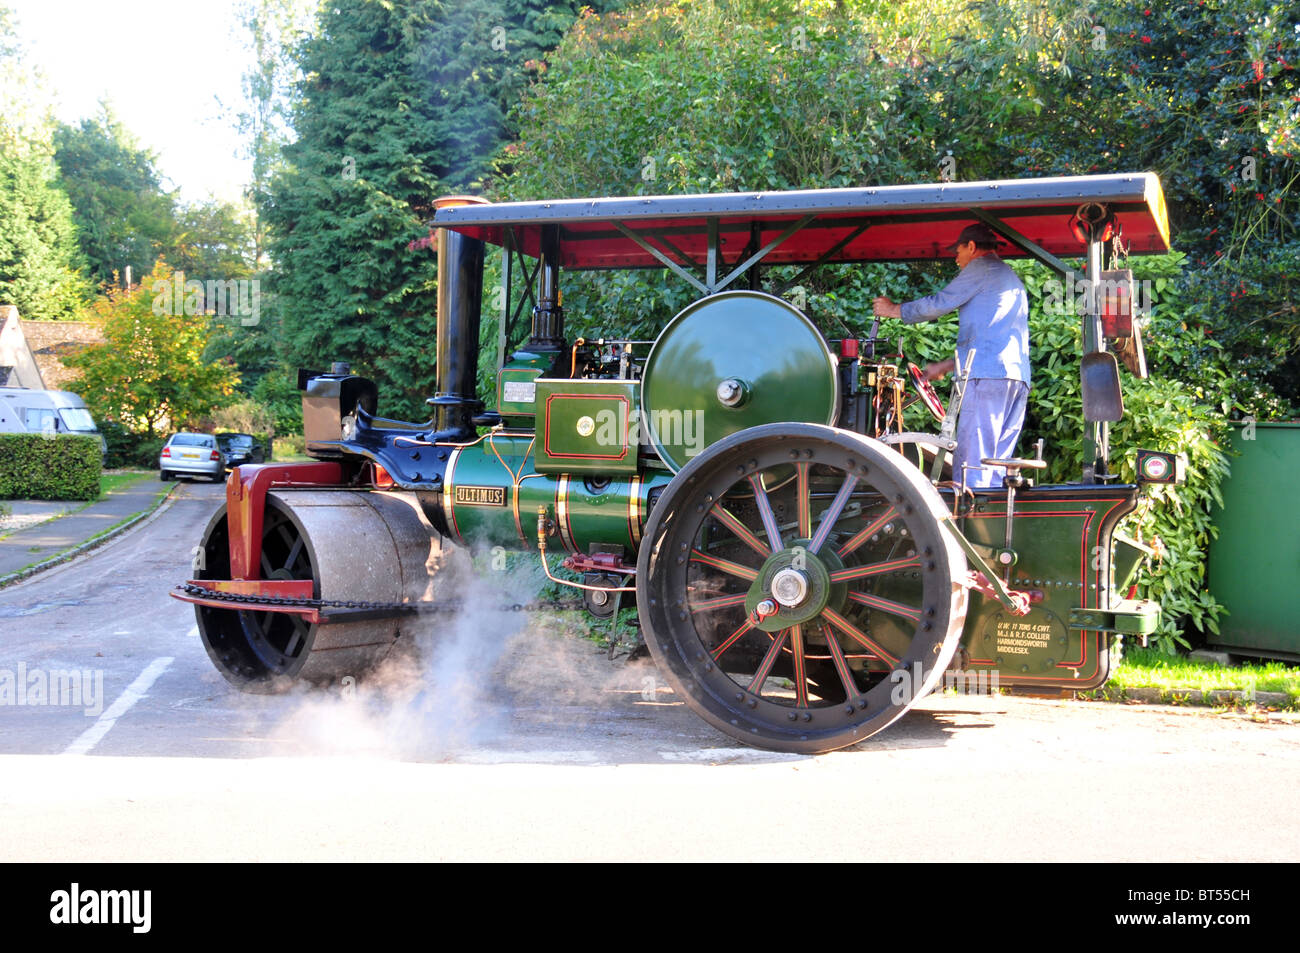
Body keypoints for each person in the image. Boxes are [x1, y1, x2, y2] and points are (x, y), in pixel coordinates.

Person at [872, 222, 1030, 489]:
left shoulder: (981, 268)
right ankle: (990, 520)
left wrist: (893, 309)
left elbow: (939, 303)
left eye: (958, 251)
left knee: (974, 464)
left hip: (986, 380)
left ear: (971, 246)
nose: (956, 259)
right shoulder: (1007, 277)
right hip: (1015, 378)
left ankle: (968, 522)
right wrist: (946, 365)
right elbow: (992, 337)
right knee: (996, 463)